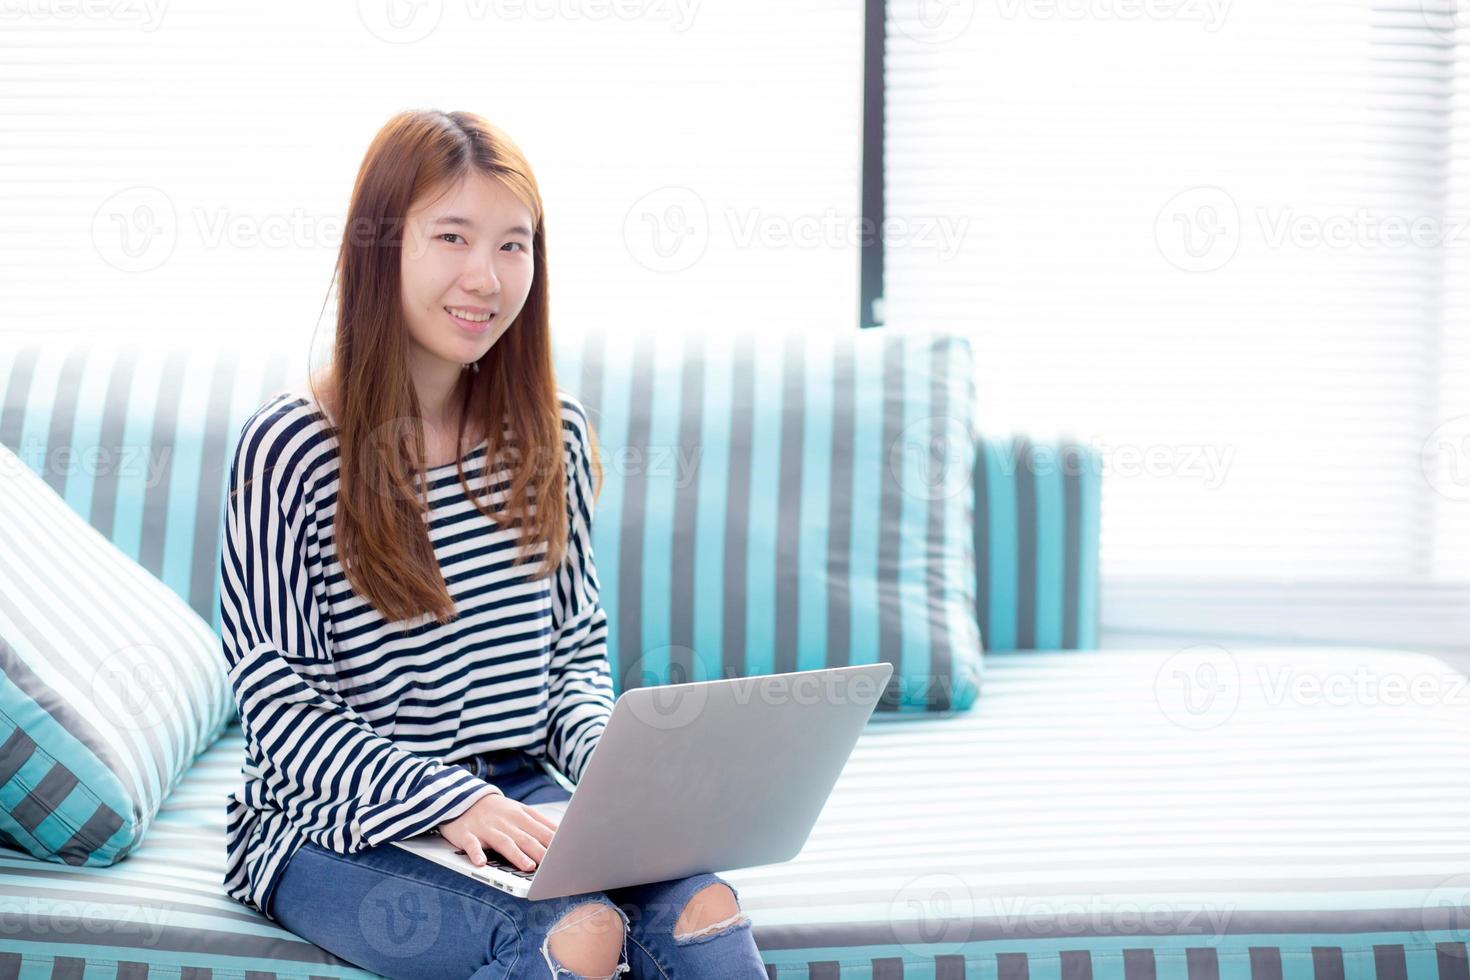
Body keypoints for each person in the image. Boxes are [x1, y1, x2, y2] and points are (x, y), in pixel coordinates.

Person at [217, 108, 767, 979]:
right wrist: (451, 799)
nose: (487, 275)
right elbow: (281, 707)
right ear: (380, 248)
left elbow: (574, 662)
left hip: (518, 794)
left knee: (705, 905)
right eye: (452, 236)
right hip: (332, 825)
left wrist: (619, 782)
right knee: (581, 931)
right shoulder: (290, 448)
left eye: (515, 244)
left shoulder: (549, 436)